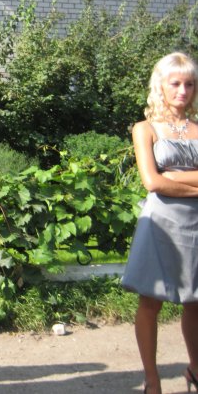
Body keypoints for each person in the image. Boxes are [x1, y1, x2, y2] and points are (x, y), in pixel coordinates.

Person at [122, 52, 198, 394]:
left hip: (196, 224)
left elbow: (165, 179)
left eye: (190, 84)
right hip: (161, 223)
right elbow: (152, 182)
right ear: (161, 86)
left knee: (196, 301)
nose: (183, 91)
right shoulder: (145, 129)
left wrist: (175, 177)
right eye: (176, 83)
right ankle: (152, 380)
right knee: (150, 302)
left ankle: (196, 369)